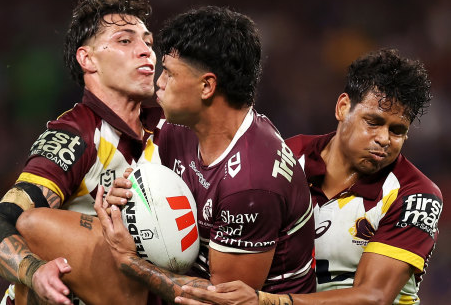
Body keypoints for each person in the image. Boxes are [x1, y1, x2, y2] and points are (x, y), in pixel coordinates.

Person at [174, 48, 442, 305]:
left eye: (397, 131)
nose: (384, 139)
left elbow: (374, 297)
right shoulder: (287, 157)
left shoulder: (416, 196)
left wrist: (265, 301)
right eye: (373, 122)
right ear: (343, 107)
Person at [92, 6, 316, 303]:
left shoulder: (251, 183)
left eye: (169, 74)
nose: (158, 82)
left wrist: (129, 260)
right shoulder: (181, 127)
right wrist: (132, 198)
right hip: (188, 276)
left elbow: (216, 300)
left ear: (207, 86)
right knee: (39, 226)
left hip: (216, 297)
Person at [0, 0, 164, 305]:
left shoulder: (167, 126)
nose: (146, 51)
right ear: (87, 59)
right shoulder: (74, 134)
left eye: (147, 41)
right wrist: (35, 272)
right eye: (125, 40)